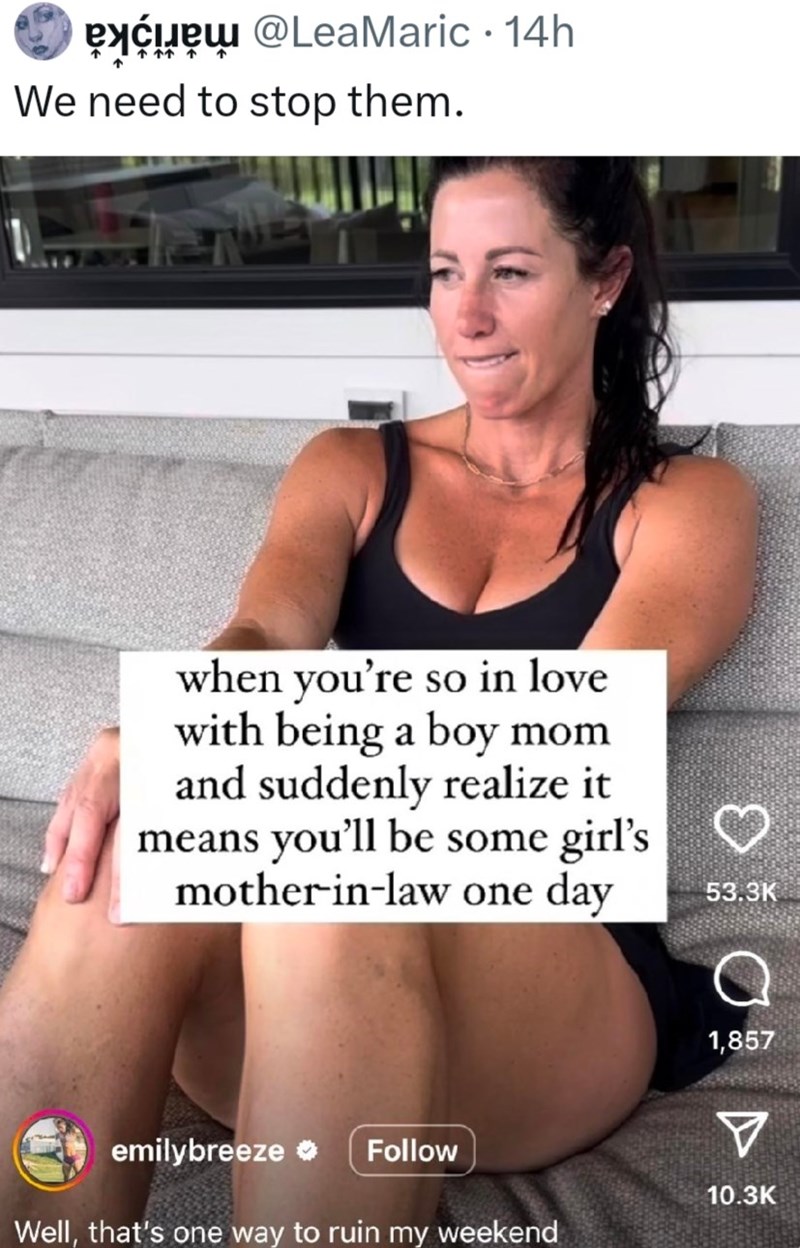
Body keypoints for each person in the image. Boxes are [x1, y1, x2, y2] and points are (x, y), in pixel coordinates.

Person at [0, 157, 758, 1239]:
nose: (467, 314)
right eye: (446, 272)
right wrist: (175, 729)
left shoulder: (689, 502)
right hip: (305, 971)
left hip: (549, 969)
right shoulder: (352, 465)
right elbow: (265, 635)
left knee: (328, 857)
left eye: (509, 271)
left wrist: (251, 758)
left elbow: (570, 732)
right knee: (121, 856)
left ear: (605, 280)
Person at [54, 1117, 83, 1182]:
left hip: (74, 1158)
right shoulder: (59, 1134)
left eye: (61, 1127)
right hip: (66, 1159)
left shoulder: (72, 1132)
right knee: (66, 1178)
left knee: (79, 1176)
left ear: (66, 1126)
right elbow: (55, 1122)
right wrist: (58, 1120)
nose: (59, 1129)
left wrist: (66, 1120)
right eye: (58, 1128)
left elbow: (75, 1122)